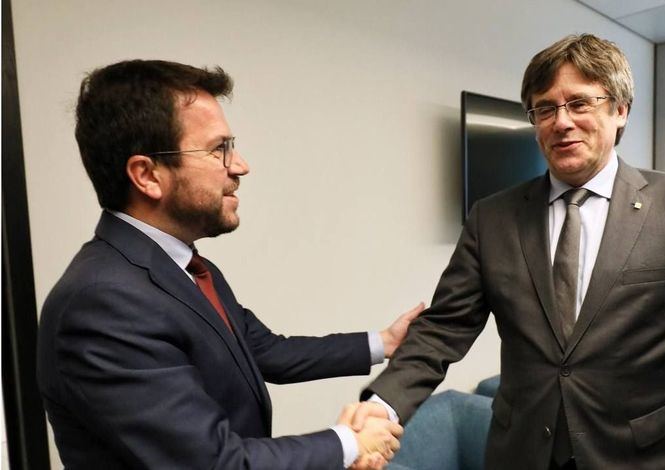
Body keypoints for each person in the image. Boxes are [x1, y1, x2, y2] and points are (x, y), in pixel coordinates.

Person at [355, 34, 665, 469]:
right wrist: (383, 406)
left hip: (640, 457)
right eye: (545, 108)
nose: (561, 122)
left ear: (620, 110)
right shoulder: (492, 218)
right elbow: (443, 329)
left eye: (580, 103)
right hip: (521, 453)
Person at [36, 59, 421, 470]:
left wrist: (385, 342)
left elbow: (266, 350)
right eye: (219, 149)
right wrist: (348, 443)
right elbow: (215, 463)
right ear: (147, 175)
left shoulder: (185, 267)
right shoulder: (102, 304)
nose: (240, 166)